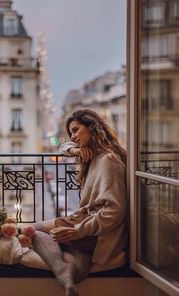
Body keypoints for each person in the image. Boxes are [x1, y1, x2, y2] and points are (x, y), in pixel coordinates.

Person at [32, 109, 128, 296]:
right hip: (89, 225)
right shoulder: (93, 155)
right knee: (79, 265)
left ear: (91, 126)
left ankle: (61, 270)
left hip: (99, 234)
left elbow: (114, 211)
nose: (74, 136)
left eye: (76, 130)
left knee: (33, 229)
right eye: (71, 133)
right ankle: (71, 272)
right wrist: (75, 149)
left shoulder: (108, 160)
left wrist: (78, 231)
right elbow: (62, 147)